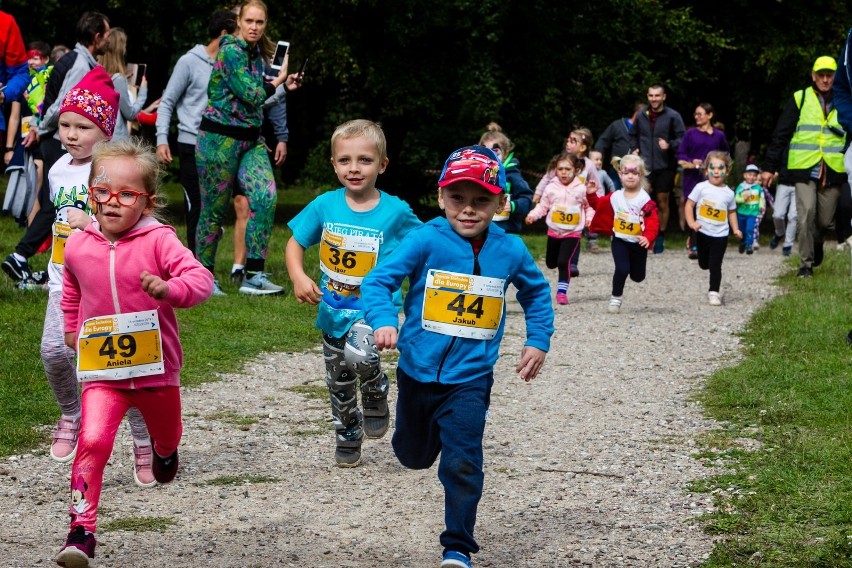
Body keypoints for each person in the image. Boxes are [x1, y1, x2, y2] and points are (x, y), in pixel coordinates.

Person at [360, 144, 554, 568]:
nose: (468, 210)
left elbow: (537, 294)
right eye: (458, 199)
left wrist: (538, 339)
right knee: (412, 456)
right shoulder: (426, 239)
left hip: (470, 377)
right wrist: (383, 320)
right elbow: (378, 282)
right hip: (417, 369)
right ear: (441, 196)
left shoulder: (511, 250)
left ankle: (458, 547)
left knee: (463, 460)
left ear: (501, 203)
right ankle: (407, 430)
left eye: (481, 200)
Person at [56, 138, 213, 566]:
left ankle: (163, 452)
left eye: (126, 194)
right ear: (91, 194)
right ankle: (81, 530)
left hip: (156, 371)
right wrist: (72, 330)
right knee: (92, 439)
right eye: (102, 192)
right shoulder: (78, 245)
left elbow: (201, 280)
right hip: (104, 371)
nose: (112, 202)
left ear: (147, 202)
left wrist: (170, 288)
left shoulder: (159, 241)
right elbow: (71, 290)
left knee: (168, 435)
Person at [40, 67, 156, 488]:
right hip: (63, 281)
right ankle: (71, 413)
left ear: (104, 131)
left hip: (108, 283)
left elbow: (126, 221)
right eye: (65, 125)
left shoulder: (113, 172)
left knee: (128, 368)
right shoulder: (56, 170)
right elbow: (52, 218)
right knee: (55, 351)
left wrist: (88, 221)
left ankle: (144, 441)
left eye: (82, 127)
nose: (71, 134)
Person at [285, 119, 420, 467]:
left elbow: (422, 245)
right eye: (345, 160)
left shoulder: (396, 212)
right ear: (333, 164)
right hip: (333, 310)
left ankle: (375, 387)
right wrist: (298, 276)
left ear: (382, 165)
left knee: (361, 357)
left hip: (374, 309)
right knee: (339, 381)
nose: (354, 168)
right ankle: (347, 433)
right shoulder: (325, 205)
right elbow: (295, 242)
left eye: (365, 160)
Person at [195, 0, 301, 295]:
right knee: (213, 212)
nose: (255, 27)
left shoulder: (255, 54)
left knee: (265, 197)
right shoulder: (230, 51)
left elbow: (259, 98)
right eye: (250, 21)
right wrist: (279, 79)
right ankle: (203, 276)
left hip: (251, 141)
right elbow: (253, 94)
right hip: (218, 141)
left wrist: (283, 85)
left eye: (260, 22)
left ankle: (253, 274)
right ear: (239, 21)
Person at [2, 12, 111, 287]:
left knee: (57, 202)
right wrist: (41, 129)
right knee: (57, 203)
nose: (107, 39)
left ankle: (31, 256)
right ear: (97, 37)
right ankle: (21, 255)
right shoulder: (79, 64)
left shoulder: (77, 60)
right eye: (106, 34)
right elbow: (65, 104)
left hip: (54, 136)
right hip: (55, 141)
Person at [156, 9, 237, 255]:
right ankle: (196, 268)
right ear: (224, 35)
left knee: (212, 209)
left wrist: (282, 87)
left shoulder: (232, 65)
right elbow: (167, 101)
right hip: (191, 143)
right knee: (197, 207)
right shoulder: (189, 61)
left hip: (220, 145)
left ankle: (203, 259)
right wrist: (161, 140)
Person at [761, 56, 846, 278]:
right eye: (821, 75)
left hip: (834, 169)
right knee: (806, 213)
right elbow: (781, 134)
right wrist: (769, 167)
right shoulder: (800, 98)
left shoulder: (845, 99)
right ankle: (805, 265)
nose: (825, 79)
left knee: (825, 221)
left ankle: (816, 243)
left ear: (835, 77)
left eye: (829, 75)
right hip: (804, 168)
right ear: (813, 76)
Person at [231, 61, 295, 282]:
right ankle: (235, 268)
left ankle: (249, 268)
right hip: (224, 142)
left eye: (259, 22)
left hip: (254, 144)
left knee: (253, 204)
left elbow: (271, 103)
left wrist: (281, 137)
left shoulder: (266, 67)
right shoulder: (231, 61)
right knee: (240, 206)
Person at [589, 154, 659, 314]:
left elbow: (652, 221)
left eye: (634, 173)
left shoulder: (644, 200)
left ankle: (635, 275)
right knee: (621, 269)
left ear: (640, 175)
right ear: (620, 174)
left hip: (638, 243)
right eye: (626, 172)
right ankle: (616, 298)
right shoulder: (615, 197)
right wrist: (591, 194)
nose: (630, 176)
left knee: (638, 276)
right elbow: (598, 205)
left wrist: (648, 237)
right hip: (619, 240)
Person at [524, 151, 593, 305]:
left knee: (563, 262)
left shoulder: (581, 189)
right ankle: (559, 271)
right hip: (554, 232)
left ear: (576, 171)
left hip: (573, 233)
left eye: (567, 169)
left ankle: (562, 292)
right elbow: (543, 206)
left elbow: (589, 207)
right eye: (560, 169)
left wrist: (589, 219)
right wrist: (532, 216)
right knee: (551, 262)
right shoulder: (551, 188)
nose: (563, 172)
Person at [629, 84, 686, 253]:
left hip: (665, 165)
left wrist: (669, 144)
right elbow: (632, 135)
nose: (654, 99)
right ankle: (645, 235)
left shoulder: (673, 116)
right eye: (651, 96)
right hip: (645, 166)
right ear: (648, 97)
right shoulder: (641, 115)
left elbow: (683, 138)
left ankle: (660, 235)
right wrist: (634, 148)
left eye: (657, 95)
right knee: (642, 202)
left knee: (662, 201)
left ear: (664, 97)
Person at [684, 151, 742, 306]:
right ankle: (702, 257)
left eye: (720, 168)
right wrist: (691, 223)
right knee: (704, 264)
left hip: (720, 234)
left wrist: (735, 229)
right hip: (702, 232)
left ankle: (714, 292)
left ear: (727, 171)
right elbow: (689, 205)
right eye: (713, 168)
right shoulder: (701, 188)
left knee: (716, 264)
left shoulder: (729, 193)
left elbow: (731, 212)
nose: (716, 171)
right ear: (706, 170)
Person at [676, 102, 729, 258]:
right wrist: (692, 162)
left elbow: (726, 154)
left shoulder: (719, 136)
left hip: (713, 178)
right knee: (692, 208)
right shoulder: (690, 134)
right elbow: (681, 154)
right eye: (695, 114)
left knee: (708, 208)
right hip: (692, 178)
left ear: (710, 115)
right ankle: (694, 245)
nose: (697, 117)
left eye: (700, 114)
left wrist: (719, 168)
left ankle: (709, 241)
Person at [475, 122, 533, 235]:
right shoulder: (478, 174)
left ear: (505, 153)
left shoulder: (512, 175)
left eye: (495, 152)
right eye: (486, 152)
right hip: (482, 232)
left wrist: (513, 206)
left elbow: (527, 199)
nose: (490, 156)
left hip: (507, 233)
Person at [98, 28, 148, 141]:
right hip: (116, 141)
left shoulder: (98, 73)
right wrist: (143, 93)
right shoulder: (118, 79)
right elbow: (130, 114)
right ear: (119, 49)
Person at [594, 103, 643, 190]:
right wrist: (597, 154)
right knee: (614, 191)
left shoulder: (644, 130)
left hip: (633, 169)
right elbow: (603, 140)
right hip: (616, 168)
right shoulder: (618, 125)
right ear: (637, 114)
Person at [734, 164, 766, 254]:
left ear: (756, 177)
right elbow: (736, 198)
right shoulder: (741, 187)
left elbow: (761, 198)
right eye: (749, 174)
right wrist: (742, 199)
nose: (751, 177)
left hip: (752, 213)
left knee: (750, 229)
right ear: (745, 175)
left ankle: (749, 245)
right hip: (742, 212)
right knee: (742, 230)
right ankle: (742, 242)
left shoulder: (758, 188)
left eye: (754, 175)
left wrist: (761, 206)